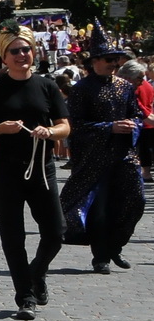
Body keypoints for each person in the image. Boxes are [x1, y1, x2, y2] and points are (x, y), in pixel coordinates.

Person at [0, 27, 70, 319]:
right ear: (4, 56)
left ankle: (36, 273)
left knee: (55, 231)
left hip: (42, 167)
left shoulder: (46, 86)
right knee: (13, 236)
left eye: (25, 49)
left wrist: (50, 131)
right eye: (14, 51)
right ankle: (24, 296)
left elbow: (65, 125)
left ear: (33, 52)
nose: (21, 55)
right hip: (6, 170)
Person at [61, 32, 142, 274]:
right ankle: (101, 256)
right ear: (94, 61)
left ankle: (115, 245)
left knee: (136, 200)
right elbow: (75, 125)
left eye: (116, 59)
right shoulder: (81, 89)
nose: (113, 64)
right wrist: (109, 127)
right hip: (95, 158)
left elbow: (136, 114)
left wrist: (133, 125)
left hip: (124, 155)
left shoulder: (125, 87)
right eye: (108, 59)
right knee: (100, 208)